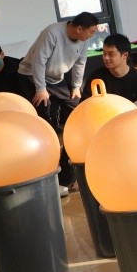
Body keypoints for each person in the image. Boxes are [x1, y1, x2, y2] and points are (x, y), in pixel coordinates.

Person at [18, 11, 100, 194]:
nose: (92, 35)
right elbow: (39, 61)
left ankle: (67, 165)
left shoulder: (83, 39)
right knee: (44, 120)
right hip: (31, 76)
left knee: (75, 108)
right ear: (79, 29)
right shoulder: (52, 33)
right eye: (91, 32)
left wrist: (76, 86)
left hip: (56, 78)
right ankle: (48, 170)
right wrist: (40, 88)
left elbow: (80, 63)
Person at [82, 33, 137, 102]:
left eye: (111, 54)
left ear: (125, 55)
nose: (106, 58)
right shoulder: (96, 77)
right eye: (104, 53)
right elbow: (85, 104)